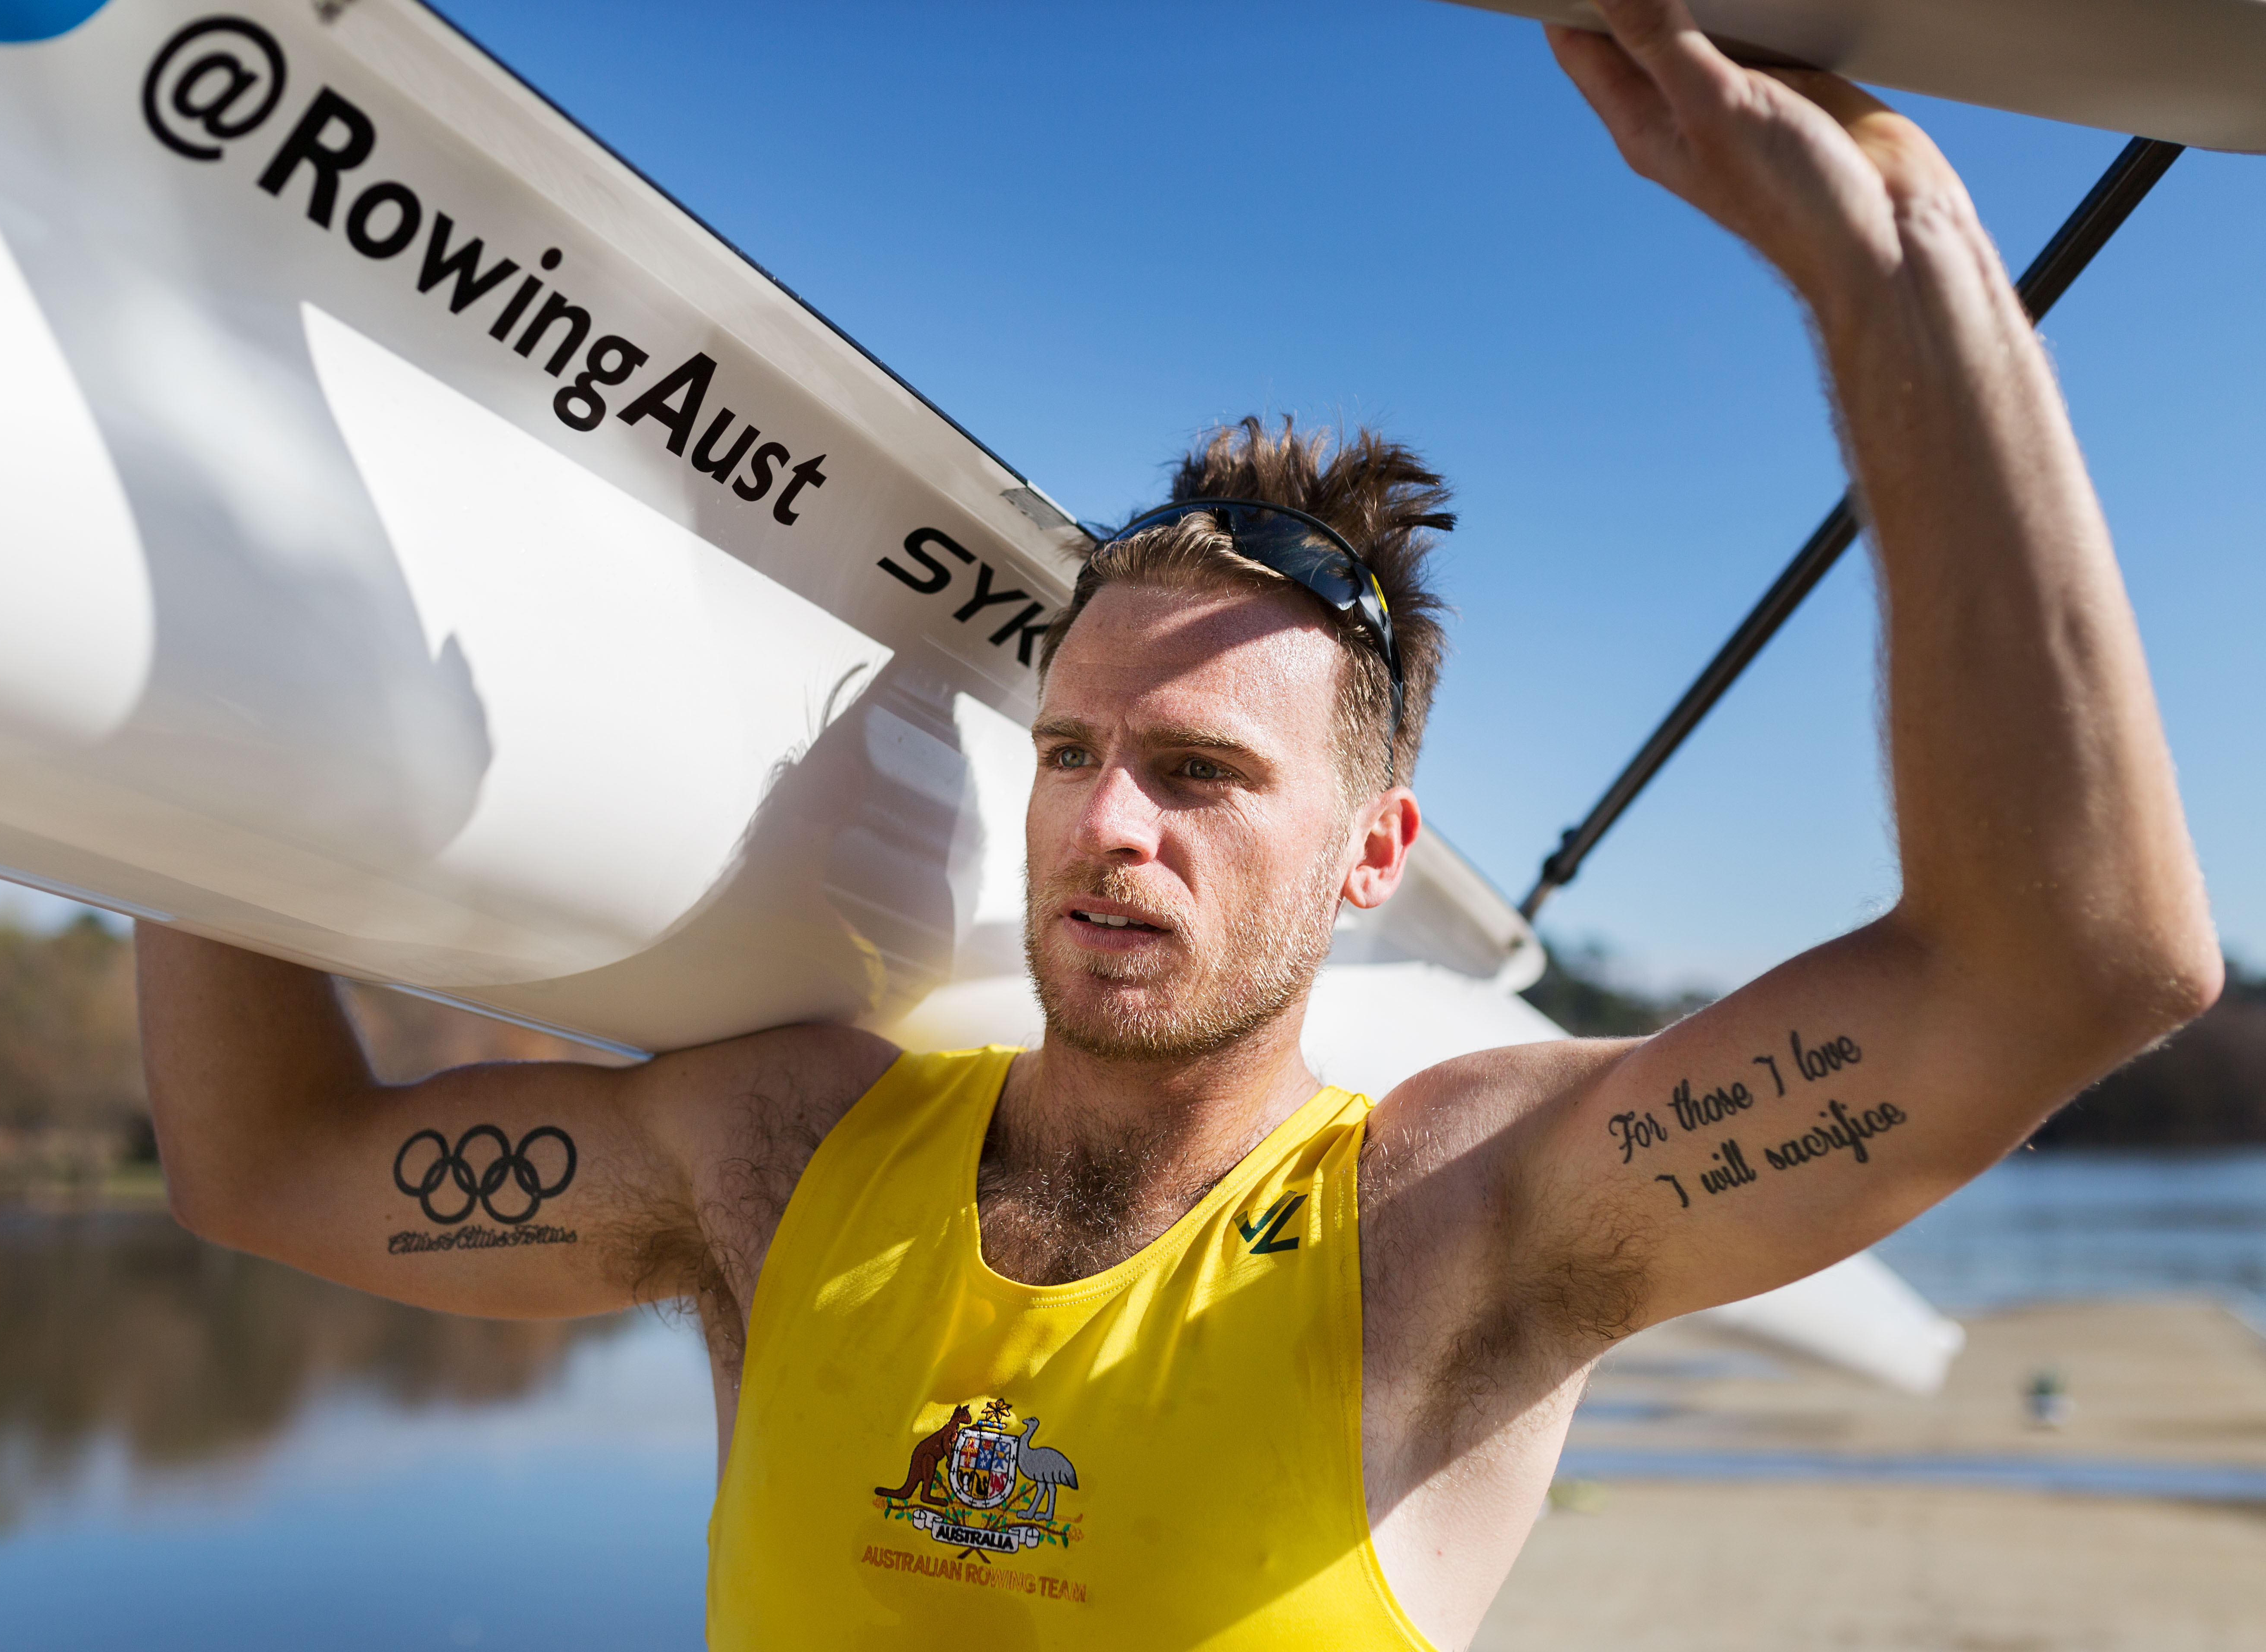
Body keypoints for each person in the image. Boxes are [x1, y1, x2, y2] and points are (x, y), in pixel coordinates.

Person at [137, 1, 2222, 1644]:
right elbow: (271, 1170)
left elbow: (2072, 968)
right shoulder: (777, 1156)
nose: (1107, 824)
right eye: (1070, 752)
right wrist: (207, 669)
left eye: (1207, 773)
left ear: (1371, 855)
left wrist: (1903, 281)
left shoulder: (1463, 1223)